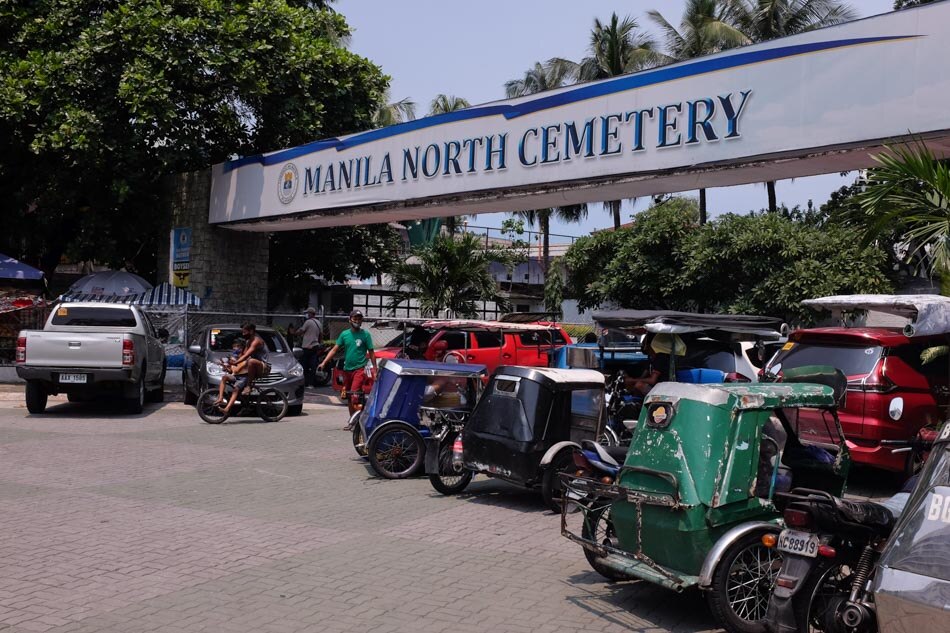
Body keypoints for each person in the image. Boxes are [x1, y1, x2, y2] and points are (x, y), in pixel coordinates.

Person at [318, 310, 377, 424]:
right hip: (347, 370)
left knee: (355, 395)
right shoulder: (344, 334)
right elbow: (335, 349)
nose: (357, 321)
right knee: (349, 396)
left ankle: (359, 422)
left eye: (359, 318)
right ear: (350, 320)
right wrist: (324, 362)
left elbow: (371, 352)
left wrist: (375, 369)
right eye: (355, 318)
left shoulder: (366, 335)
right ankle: (352, 421)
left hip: (359, 369)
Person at [233, 322, 270, 393]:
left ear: (251, 331)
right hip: (252, 367)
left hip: (263, 367)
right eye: (242, 332)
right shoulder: (248, 341)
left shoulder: (256, 341)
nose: (243, 334)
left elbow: (246, 355)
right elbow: (243, 355)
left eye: (245, 332)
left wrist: (236, 362)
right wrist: (233, 360)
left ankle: (248, 386)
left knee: (251, 361)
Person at [214, 338, 248, 408]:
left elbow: (237, 370)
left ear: (242, 348)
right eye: (234, 346)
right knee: (224, 377)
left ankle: (227, 408)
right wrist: (224, 365)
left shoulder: (246, 358)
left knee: (235, 389)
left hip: (243, 378)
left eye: (237, 346)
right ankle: (220, 398)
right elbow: (231, 371)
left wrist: (231, 364)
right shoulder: (234, 357)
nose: (235, 348)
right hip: (236, 376)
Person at [298, 307, 323, 387]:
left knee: (304, 365)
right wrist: (318, 343)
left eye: (308, 313)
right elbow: (321, 335)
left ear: (311, 314)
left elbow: (301, 331)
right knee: (312, 366)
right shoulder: (319, 323)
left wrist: (294, 333)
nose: (307, 314)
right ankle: (311, 384)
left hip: (307, 347)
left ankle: (304, 383)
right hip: (315, 346)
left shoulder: (308, 322)